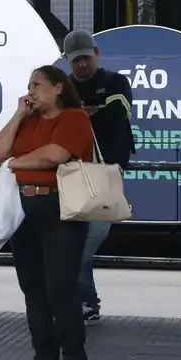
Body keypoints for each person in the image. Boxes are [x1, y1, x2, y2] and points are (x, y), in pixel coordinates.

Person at [0, 65, 95, 360]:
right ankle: (45, 355)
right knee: (32, 285)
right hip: (24, 209)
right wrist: (19, 114)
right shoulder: (28, 120)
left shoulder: (74, 118)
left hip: (59, 207)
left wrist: (14, 163)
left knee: (60, 286)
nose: (31, 91)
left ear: (58, 87)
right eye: (29, 85)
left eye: (37, 85)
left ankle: (74, 358)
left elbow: (55, 155)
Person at [60, 30, 134, 325]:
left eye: (85, 58)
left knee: (93, 235)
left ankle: (76, 293)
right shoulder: (64, 87)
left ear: (97, 53)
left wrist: (85, 112)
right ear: (67, 60)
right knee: (77, 236)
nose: (81, 65)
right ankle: (86, 302)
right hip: (72, 170)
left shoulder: (115, 81)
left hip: (106, 170)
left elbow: (121, 110)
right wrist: (90, 111)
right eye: (75, 60)